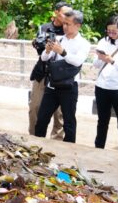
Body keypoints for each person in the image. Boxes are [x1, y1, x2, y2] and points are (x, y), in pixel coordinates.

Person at [33, 9, 89, 143]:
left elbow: (78, 61)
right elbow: (45, 58)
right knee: (41, 119)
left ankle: (70, 152)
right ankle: (37, 146)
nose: (65, 26)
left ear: (78, 25)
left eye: (68, 24)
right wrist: (47, 51)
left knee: (69, 122)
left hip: (69, 87)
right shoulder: (59, 39)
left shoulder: (84, 43)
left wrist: (63, 52)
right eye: (64, 23)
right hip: (52, 86)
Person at [92, 15, 118, 151]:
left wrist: (112, 61)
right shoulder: (103, 42)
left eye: (114, 31)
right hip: (102, 87)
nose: (111, 34)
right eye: (108, 31)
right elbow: (96, 65)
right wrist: (100, 58)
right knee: (102, 121)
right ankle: (98, 149)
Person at [28, 1, 70, 138]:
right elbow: (40, 50)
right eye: (65, 13)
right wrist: (39, 44)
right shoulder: (44, 28)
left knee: (59, 114)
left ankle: (56, 143)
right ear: (56, 12)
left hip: (61, 77)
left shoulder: (69, 31)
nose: (67, 17)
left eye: (70, 14)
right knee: (35, 108)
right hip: (43, 73)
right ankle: (34, 139)